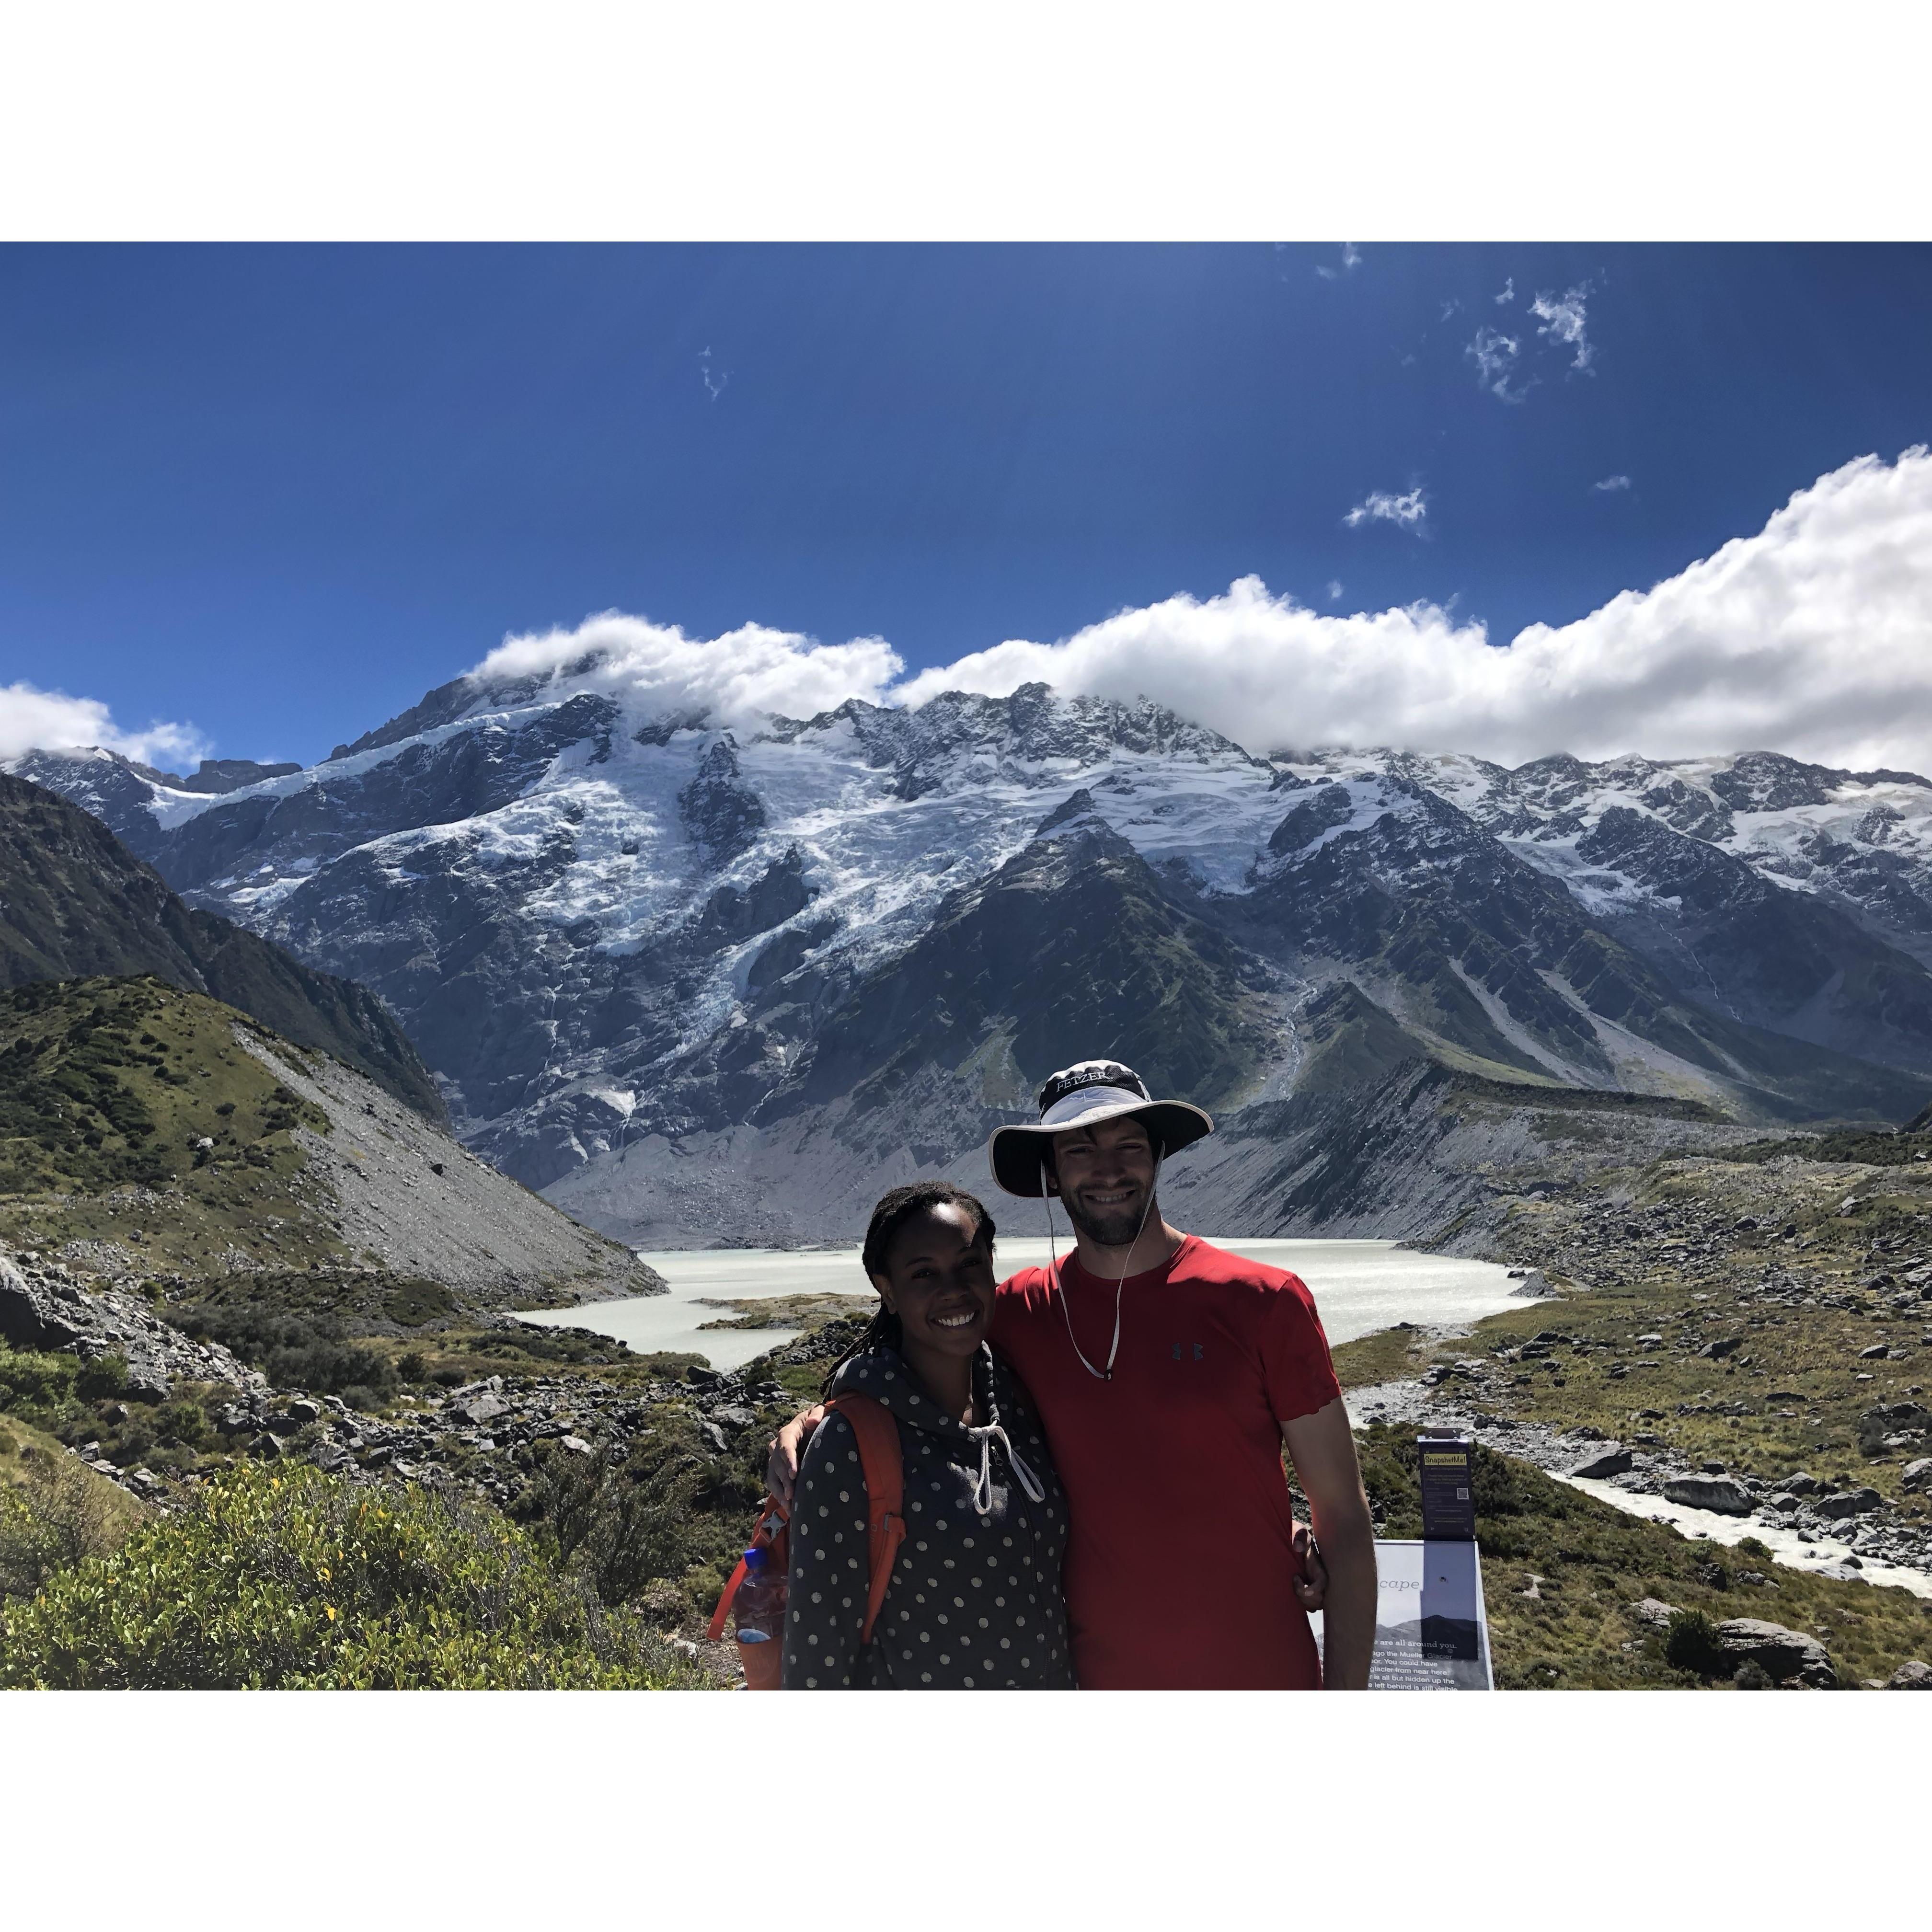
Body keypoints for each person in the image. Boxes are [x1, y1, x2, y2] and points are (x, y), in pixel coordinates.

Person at [771, 1059, 1377, 1690]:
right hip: (1091, 1683)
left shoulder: (1264, 1303)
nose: (1109, 1168)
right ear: (1052, 1176)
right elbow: (910, 1365)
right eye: (1080, 1149)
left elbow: (1344, 1516)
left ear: (1158, 1156)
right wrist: (813, 1423)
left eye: (1129, 1145)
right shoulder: (1018, 1315)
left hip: (1262, 1678)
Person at [782, 1180, 1076, 1689]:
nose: (954, 1289)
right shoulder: (850, 1444)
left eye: (970, 1264)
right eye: (924, 1274)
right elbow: (817, 1656)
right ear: (888, 1291)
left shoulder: (1013, 1401)